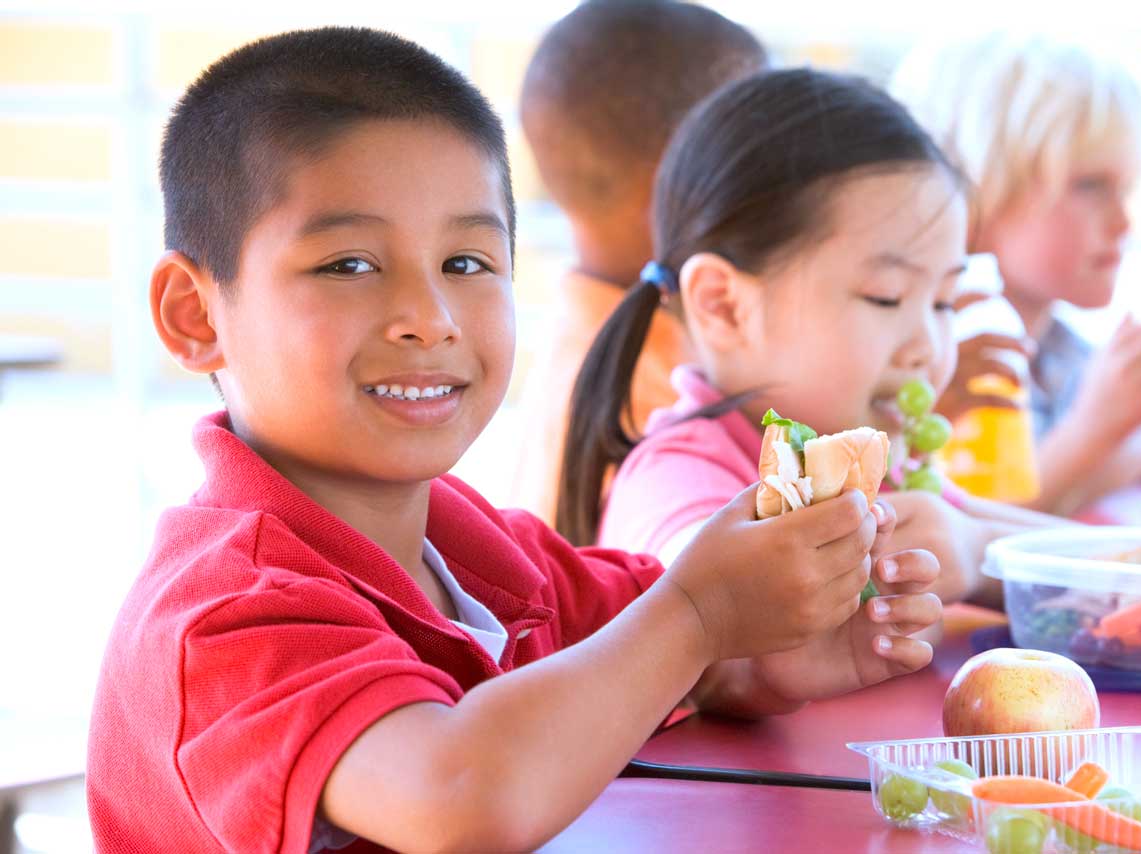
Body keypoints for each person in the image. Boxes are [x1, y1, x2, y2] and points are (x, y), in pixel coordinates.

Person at [86, 28, 942, 853]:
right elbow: (460, 795)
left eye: (466, 263)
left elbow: (658, 651)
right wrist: (699, 617)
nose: (429, 319)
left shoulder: (480, 554)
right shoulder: (222, 615)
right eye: (349, 264)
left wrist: (765, 654)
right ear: (196, 315)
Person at [560, 68, 1060, 609]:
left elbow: (1082, 559)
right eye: (886, 297)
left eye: (942, 302)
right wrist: (980, 552)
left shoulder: (865, 463)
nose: (928, 347)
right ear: (723, 306)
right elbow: (701, 617)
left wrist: (977, 548)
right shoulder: (680, 478)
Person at [890, 33, 1141, 515]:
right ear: (976, 187)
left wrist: (1122, 451)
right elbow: (959, 533)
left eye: (1127, 188)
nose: (1124, 223)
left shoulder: (1059, 352)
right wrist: (1094, 431)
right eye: (1091, 186)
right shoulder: (938, 361)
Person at [509, 0, 767, 524]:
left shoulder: (600, 341)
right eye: (759, 158)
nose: (783, 182)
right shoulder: (659, 396)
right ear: (677, 178)